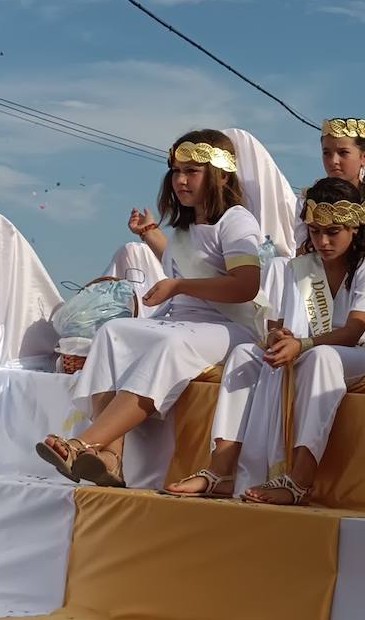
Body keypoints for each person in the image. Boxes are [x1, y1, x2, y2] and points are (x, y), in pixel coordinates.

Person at [37, 130, 264, 487]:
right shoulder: (187, 226)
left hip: (227, 326)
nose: (180, 180)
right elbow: (184, 266)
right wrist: (150, 235)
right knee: (113, 332)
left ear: (220, 174)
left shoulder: (237, 221)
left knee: (167, 346)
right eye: (176, 171)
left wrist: (180, 286)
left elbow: (245, 285)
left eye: (192, 171)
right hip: (182, 320)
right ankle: (112, 457)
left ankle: (84, 443)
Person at [163, 178, 365, 503]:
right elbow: (274, 323)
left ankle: (299, 479)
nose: (322, 241)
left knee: (321, 357)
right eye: (314, 231)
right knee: (244, 354)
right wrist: (275, 337)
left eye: (332, 232)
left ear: (355, 228)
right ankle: (220, 470)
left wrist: (303, 344)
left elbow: (354, 332)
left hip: (362, 358)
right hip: (305, 350)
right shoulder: (298, 267)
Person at [294, 118, 365, 254]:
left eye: (343, 153)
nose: (333, 161)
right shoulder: (307, 199)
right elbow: (301, 252)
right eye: (326, 153)